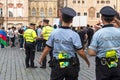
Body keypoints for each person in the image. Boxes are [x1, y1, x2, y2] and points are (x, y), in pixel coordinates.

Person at [39, 7, 90, 80]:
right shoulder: (74, 34)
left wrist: (41, 58)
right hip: (71, 64)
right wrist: (87, 60)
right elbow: (80, 52)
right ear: (72, 20)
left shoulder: (54, 33)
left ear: (61, 18)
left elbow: (48, 48)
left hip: (58, 64)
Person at [88, 6, 120, 80]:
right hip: (117, 63)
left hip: (103, 64)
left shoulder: (98, 33)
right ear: (113, 18)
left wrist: (102, 52)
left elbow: (91, 52)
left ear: (102, 18)